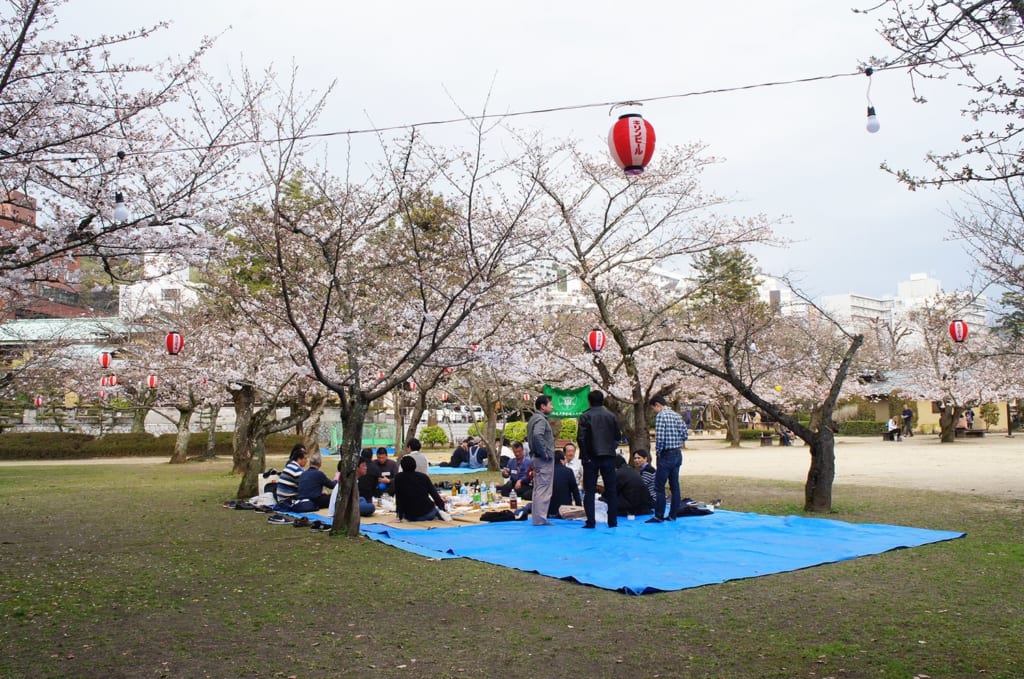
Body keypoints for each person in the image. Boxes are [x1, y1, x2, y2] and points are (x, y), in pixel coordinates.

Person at [578, 389, 622, 529]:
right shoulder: (611, 416)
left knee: (589, 491)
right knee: (611, 490)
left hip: (591, 457)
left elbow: (581, 438)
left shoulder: (585, 416)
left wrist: (585, 456)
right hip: (608, 456)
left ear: (589, 401)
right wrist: (611, 449)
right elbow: (617, 437)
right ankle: (612, 521)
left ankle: (591, 521)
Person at [647, 395, 686, 522]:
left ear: (657, 405)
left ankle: (659, 516)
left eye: (654, 408)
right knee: (675, 486)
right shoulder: (677, 415)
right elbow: (685, 434)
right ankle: (673, 515)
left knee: (659, 487)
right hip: (677, 453)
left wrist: (658, 452)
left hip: (666, 454)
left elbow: (660, 438)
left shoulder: (661, 416)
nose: (654, 411)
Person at [526, 394, 556, 526]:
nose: (552, 407)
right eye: (550, 404)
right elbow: (538, 435)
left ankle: (537, 518)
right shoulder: (541, 420)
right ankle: (540, 519)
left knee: (538, 488)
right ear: (543, 407)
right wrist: (545, 453)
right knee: (543, 489)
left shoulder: (533, 419)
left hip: (537, 458)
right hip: (543, 459)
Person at [393, 454, 447, 522]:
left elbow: (398, 497)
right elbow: (434, 494)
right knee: (435, 510)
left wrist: (399, 515)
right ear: (415, 465)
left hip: (409, 515)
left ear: (402, 467)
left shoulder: (398, 478)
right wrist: (442, 508)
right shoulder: (423, 477)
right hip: (427, 513)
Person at [274, 443, 308, 508]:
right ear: (299, 459)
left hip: (281, 497)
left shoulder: (290, 465)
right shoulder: (297, 470)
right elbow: (305, 486)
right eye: (305, 458)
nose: (306, 461)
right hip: (287, 499)